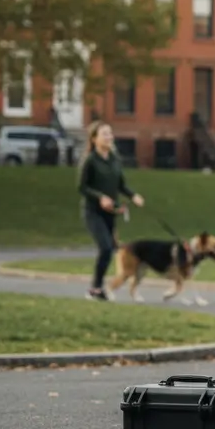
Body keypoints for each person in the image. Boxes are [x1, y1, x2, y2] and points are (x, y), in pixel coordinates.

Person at [77, 121, 143, 301]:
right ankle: (95, 288)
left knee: (110, 249)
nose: (109, 137)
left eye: (110, 133)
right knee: (105, 247)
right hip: (93, 212)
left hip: (110, 212)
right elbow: (82, 187)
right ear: (94, 138)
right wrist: (100, 197)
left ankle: (97, 288)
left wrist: (133, 196)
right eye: (104, 134)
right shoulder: (90, 160)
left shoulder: (114, 158)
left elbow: (120, 184)